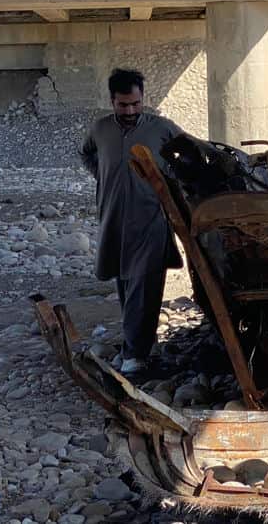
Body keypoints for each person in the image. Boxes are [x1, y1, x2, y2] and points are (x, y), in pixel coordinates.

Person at [80, 69, 187, 374]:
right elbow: (86, 153)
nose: (130, 111)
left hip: (150, 221)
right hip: (113, 219)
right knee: (125, 283)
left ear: (143, 99)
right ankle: (138, 343)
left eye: (136, 104)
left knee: (145, 285)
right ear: (112, 101)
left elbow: (190, 153)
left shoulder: (162, 129)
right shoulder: (100, 129)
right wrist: (104, 174)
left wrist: (170, 184)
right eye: (123, 105)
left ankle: (135, 356)